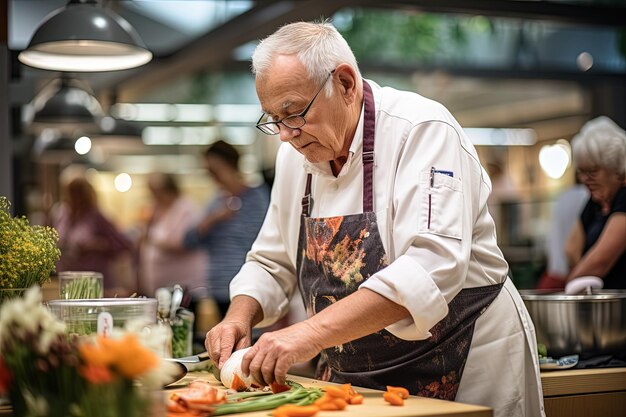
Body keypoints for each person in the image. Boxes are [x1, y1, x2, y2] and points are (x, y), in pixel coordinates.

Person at [205, 21, 544, 417]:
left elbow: (432, 267)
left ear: (345, 83)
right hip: (360, 377)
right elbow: (271, 260)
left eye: (293, 113)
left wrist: (308, 335)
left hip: (462, 360)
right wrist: (237, 316)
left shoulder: (422, 130)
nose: (284, 135)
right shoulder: (294, 156)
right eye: (272, 119)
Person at [183, 140, 270, 318]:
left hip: (250, 286)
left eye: (215, 170)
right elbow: (189, 240)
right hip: (220, 286)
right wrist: (213, 219)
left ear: (231, 165)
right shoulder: (216, 201)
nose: (213, 177)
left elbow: (265, 243)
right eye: (209, 172)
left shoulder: (257, 198)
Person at [565, 116, 626, 289]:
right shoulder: (595, 203)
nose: (585, 180)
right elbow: (570, 249)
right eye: (581, 172)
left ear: (616, 169)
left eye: (592, 172)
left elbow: (600, 261)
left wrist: (570, 287)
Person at [53, 176, 132, 294]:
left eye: (78, 194)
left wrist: (96, 245)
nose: (74, 198)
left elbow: (123, 244)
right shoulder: (61, 214)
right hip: (68, 278)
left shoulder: (97, 217)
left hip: (94, 281)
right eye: (72, 193)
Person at [138, 172, 208, 300]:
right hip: (160, 286)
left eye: (157, 191)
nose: (155, 196)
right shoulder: (156, 209)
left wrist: (152, 239)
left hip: (183, 286)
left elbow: (182, 243)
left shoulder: (185, 208)